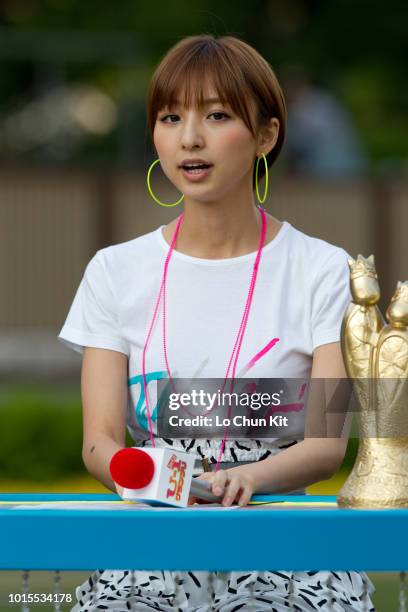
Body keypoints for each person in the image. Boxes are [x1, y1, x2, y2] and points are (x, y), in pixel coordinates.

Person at [58, 34, 376, 612]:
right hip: (151, 550)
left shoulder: (327, 271)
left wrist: (250, 478)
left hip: (284, 555)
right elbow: (99, 440)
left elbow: (328, 445)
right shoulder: (114, 271)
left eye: (217, 114)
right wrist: (155, 478)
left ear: (266, 136)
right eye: (171, 116)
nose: (190, 137)